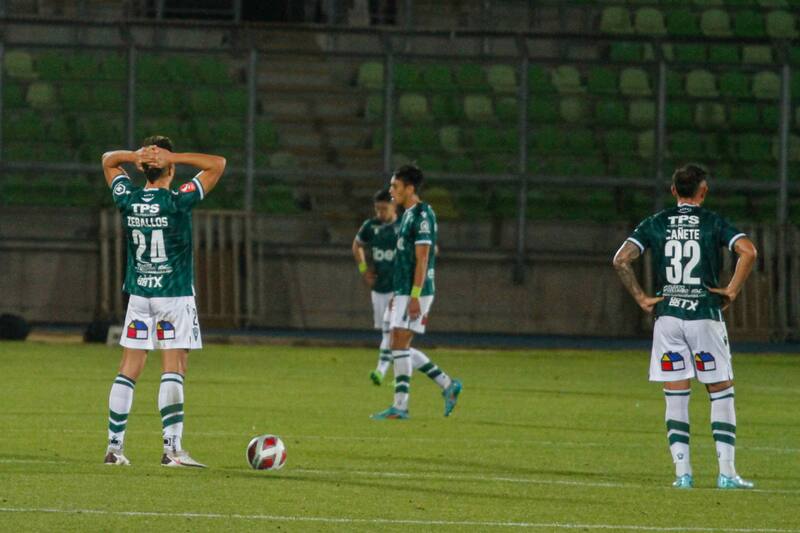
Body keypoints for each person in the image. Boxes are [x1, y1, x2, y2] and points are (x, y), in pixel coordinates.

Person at [612, 164, 757, 489]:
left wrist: (640, 297)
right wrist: (731, 290)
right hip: (704, 315)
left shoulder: (656, 223)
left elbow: (620, 259)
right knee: (721, 391)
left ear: (674, 191)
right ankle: (727, 473)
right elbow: (748, 251)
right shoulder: (713, 222)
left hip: (669, 319)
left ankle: (683, 475)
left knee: (675, 394)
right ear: (702, 191)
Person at [101, 136, 226, 467]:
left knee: (129, 368)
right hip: (173, 295)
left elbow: (108, 161)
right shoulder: (177, 201)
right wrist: (175, 156)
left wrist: (135, 156)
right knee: (175, 367)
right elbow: (218, 163)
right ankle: (172, 450)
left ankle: (115, 448)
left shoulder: (127, 198)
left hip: (140, 296)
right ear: (170, 167)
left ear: (143, 169)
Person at [371, 165, 462, 420]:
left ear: (409, 188)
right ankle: (447, 385)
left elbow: (423, 259)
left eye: (395, 186)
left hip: (416, 291)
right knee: (398, 343)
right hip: (403, 290)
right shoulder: (408, 214)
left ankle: (401, 406)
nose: (391, 191)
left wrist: (414, 296)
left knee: (398, 342)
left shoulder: (422, 215)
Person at [352, 188, 400, 385]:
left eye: (384, 208)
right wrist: (364, 270)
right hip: (380, 287)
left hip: (400, 288)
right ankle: (399, 374)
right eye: (377, 209)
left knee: (391, 331)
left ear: (394, 206)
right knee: (387, 332)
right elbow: (357, 246)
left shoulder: (404, 226)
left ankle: (381, 371)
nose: (380, 213)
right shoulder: (370, 226)